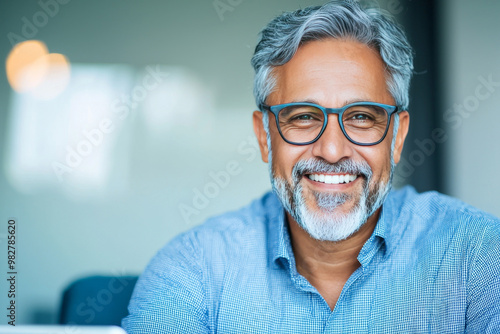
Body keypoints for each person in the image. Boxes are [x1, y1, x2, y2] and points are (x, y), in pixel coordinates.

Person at [122, 1, 500, 332]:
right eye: (302, 117)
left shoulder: (479, 257)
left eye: (362, 117)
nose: (332, 150)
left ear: (397, 137)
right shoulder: (194, 270)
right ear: (264, 136)